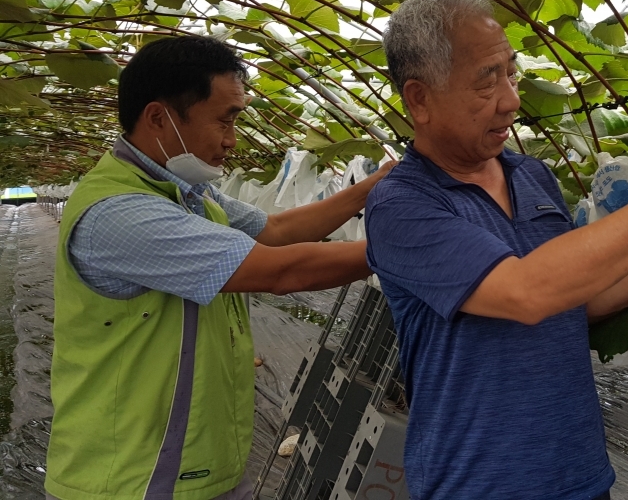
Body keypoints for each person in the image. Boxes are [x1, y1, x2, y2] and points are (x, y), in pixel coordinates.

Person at [365, 0, 628, 500]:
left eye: (510, 73)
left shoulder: (532, 177)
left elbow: (576, 300)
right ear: (420, 99)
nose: (511, 100)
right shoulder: (401, 206)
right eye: (486, 81)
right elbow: (527, 293)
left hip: (580, 475)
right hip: (478, 485)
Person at [45, 36, 393, 500]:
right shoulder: (119, 212)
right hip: (131, 479)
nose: (232, 140)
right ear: (158, 118)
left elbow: (276, 230)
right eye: (225, 120)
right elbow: (280, 270)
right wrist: (419, 250)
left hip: (201, 468)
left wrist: (377, 185)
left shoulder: (188, 192)